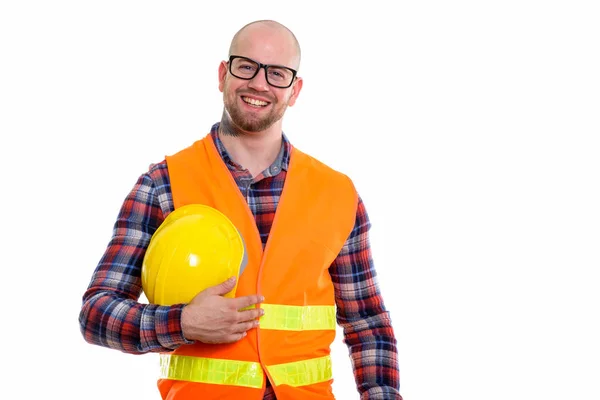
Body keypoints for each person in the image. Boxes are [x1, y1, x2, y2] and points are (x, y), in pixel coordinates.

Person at [79, 19, 402, 400]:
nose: (259, 84)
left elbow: (368, 324)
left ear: (295, 91)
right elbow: (97, 314)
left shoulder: (338, 193)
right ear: (222, 75)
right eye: (246, 67)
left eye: (277, 73)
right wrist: (182, 323)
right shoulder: (163, 184)